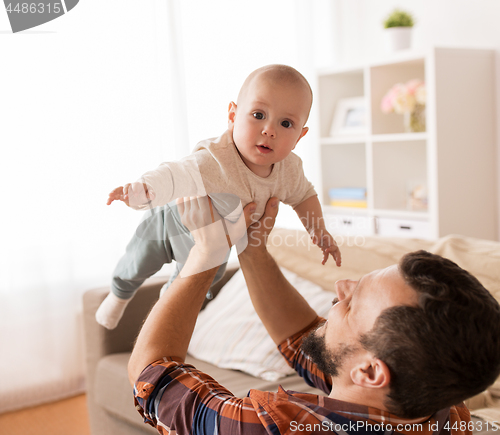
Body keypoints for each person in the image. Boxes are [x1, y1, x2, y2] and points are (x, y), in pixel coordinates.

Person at [128, 196, 500, 435]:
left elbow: (152, 378)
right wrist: (251, 249)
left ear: (371, 371)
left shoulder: (280, 428)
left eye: (353, 302)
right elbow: (308, 342)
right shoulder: (444, 412)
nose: (341, 286)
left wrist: (206, 253)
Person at [97, 64, 342, 329]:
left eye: (286, 123)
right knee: (138, 259)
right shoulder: (216, 157)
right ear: (233, 116)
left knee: (200, 287)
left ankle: (162, 314)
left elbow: (304, 196)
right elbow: (175, 173)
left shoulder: (289, 171)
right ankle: (118, 296)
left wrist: (319, 230)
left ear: (299, 136)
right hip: (170, 222)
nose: (269, 130)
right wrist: (141, 190)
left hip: (216, 244)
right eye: (258, 115)